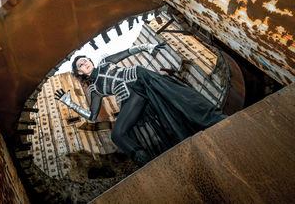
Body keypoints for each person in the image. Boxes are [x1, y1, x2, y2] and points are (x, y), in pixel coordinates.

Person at [55, 43, 227, 166]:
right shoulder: (95, 89)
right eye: (81, 64)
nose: (86, 63)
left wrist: (148, 47)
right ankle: (145, 162)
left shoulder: (105, 62)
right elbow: (92, 116)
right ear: (79, 72)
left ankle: (215, 118)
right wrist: (70, 104)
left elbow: (128, 52)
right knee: (117, 134)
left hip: (141, 78)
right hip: (132, 98)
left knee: (178, 97)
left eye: (86, 60)